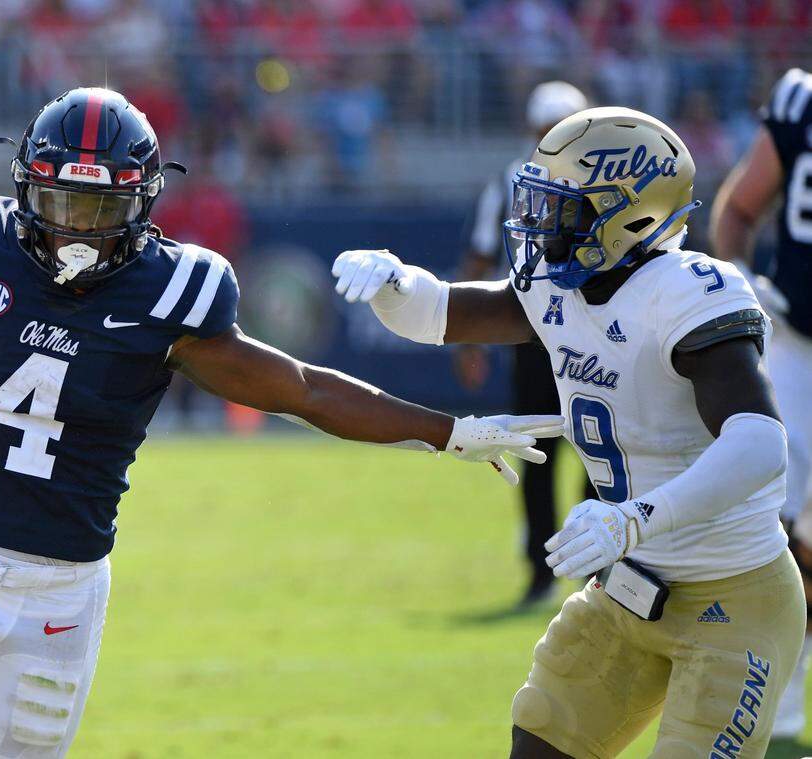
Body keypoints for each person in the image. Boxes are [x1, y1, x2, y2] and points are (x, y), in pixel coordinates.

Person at [0, 88, 563, 758]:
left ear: (140, 204)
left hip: (54, 598)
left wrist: (447, 430)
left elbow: (303, 389)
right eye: (61, 202)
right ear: (24, 189)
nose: (75, 228)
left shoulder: (169, 295)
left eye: (97, 208)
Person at [333, 106, 804, 757]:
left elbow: (759, 444)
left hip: (735, 596)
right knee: (541, 739)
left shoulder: (688, 292)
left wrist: (633, 519)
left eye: (561, 206)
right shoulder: (558, 286)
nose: (539, 221)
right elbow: (438, 313)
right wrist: (394, 281)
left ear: (629, 214)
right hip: (628, 588)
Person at [455, 80, 595, 607]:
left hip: (595, 336)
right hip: (535, 337)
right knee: (536, 456)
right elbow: (480, 259)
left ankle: (595, 569)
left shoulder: (600, 178)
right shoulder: (511, 181)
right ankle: (542, 571)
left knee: (601, 453)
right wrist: (469, 341)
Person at [709, 66, 812, 740]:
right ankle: (775, 697)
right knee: (768, 531)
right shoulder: (801, 98)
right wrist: (741, 282)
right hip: (797, 348)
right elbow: (739, 209)